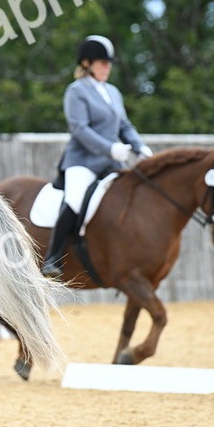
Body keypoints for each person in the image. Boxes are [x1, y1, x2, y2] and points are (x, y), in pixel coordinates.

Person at [41, 35, 152, 278]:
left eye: (109, 63)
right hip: (83, 161)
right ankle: (53, 258)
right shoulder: (76, 91)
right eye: (103, 63)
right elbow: (80, 129)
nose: (107, 67)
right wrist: (109, 148)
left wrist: (140, 147)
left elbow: (124, 125)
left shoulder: (113, 92)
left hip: (112, 163)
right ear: (87, 63)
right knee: (75, 200)